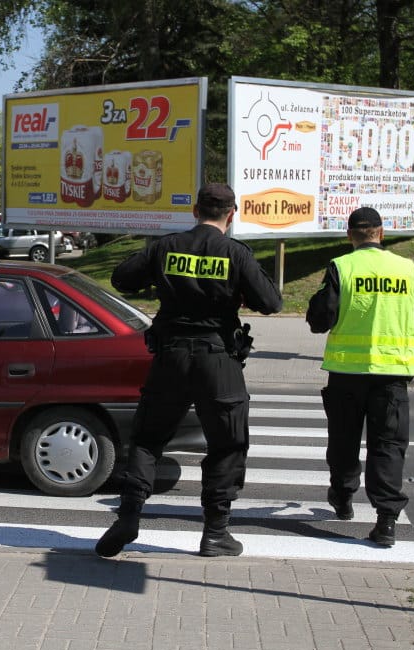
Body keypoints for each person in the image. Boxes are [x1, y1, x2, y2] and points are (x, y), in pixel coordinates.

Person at [96, 183, 283, 559]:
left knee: (149, 440)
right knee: (226, 444)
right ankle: (215, 533)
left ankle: (128, 516)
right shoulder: (235, 253)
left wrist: (158, 277)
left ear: (195, 210)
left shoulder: (165, 247)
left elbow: (122, 279)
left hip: (171, 358)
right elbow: (271, 302)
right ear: (232, 213)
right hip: (218, 360)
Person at [306, 206, 414, 547]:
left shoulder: (342, 267)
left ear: (350, 235)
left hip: (348, 372)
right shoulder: (407, 268)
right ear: (382, 232)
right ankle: (386, 521)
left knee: (344, 440)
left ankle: (343, 498)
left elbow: (321, 318)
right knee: (388, 445)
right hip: (393, 375)